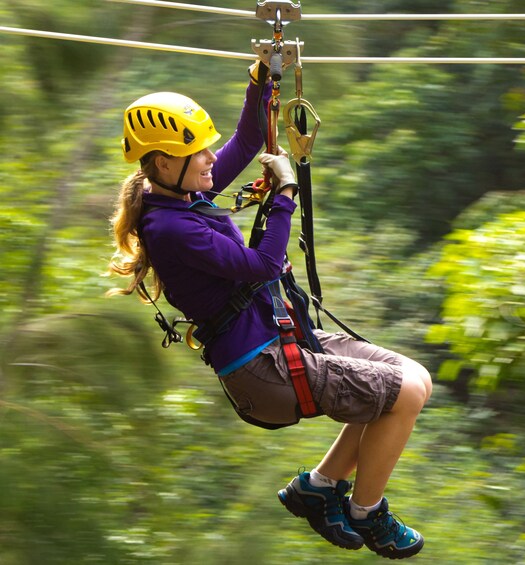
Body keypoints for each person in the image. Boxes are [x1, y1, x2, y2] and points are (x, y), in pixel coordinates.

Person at [106, 63, 433, 560]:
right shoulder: (172, 228)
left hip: (282, 339)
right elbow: (263, 265)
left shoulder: (184, 195)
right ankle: (367, 512)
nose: (213, 159)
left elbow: (244, 138)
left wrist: (261, 83)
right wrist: (283, 195)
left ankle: (319, 488)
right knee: (403, 394)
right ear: (164, 163)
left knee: (414, 378)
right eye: (200, 152)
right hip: (263, 368)